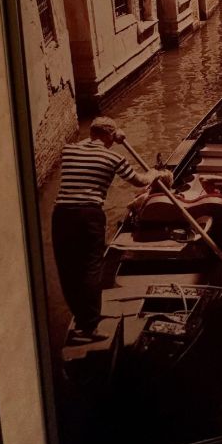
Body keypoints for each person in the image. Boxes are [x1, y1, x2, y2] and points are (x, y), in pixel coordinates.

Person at [52, 116, 172, 342]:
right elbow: (140, 181)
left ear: (92, 132)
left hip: (61, 215)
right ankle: (89, 328)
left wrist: (112, 136)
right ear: (111, 135)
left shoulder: (69, 151)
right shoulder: (113, 157)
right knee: (91, 268)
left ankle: (81, 320)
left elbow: (91, 143)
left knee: (68, 269)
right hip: (88, 215)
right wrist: (155, 173)